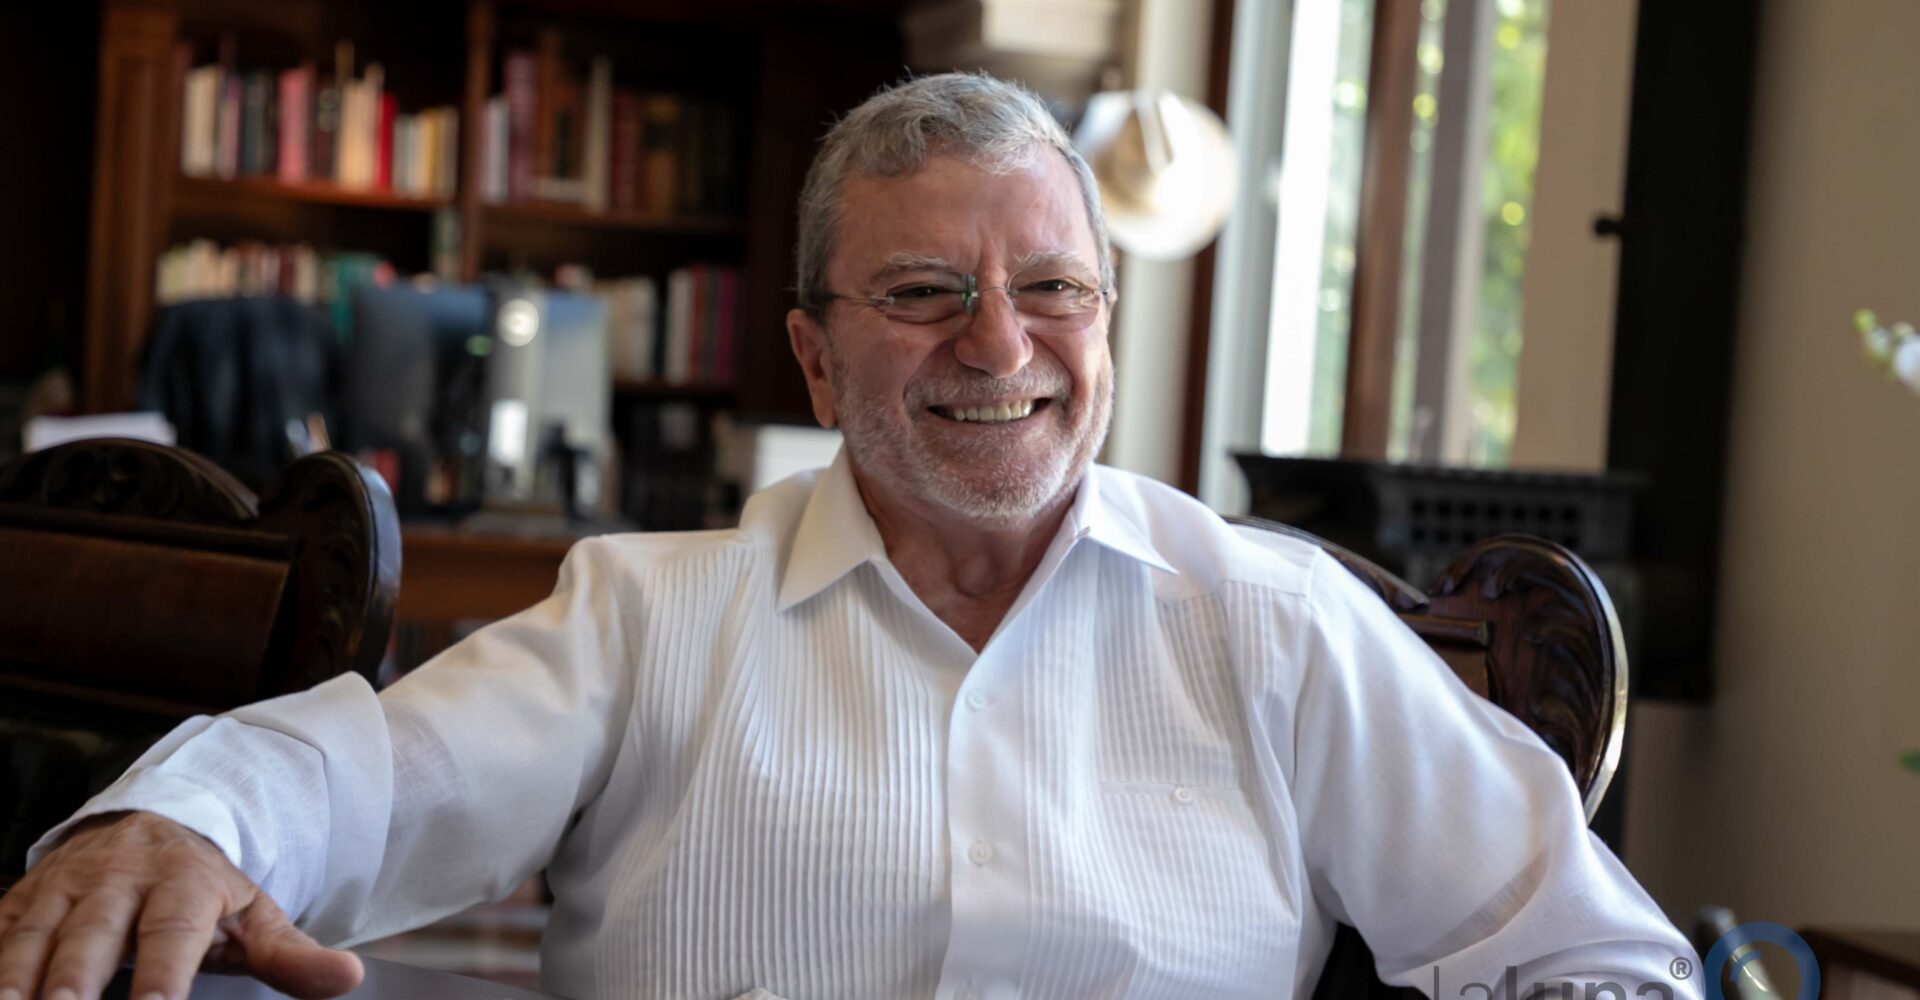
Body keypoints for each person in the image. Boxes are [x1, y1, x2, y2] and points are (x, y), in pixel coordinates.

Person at [0, 73, 1697, 1000]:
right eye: (925, 293)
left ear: (1107, 323)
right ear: (815, 359)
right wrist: (180, 818)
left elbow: (1600, 960)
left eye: (1052, 288)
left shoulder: (1277, 619)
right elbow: (369, 775)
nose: (1000, 345)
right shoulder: (648, 617)